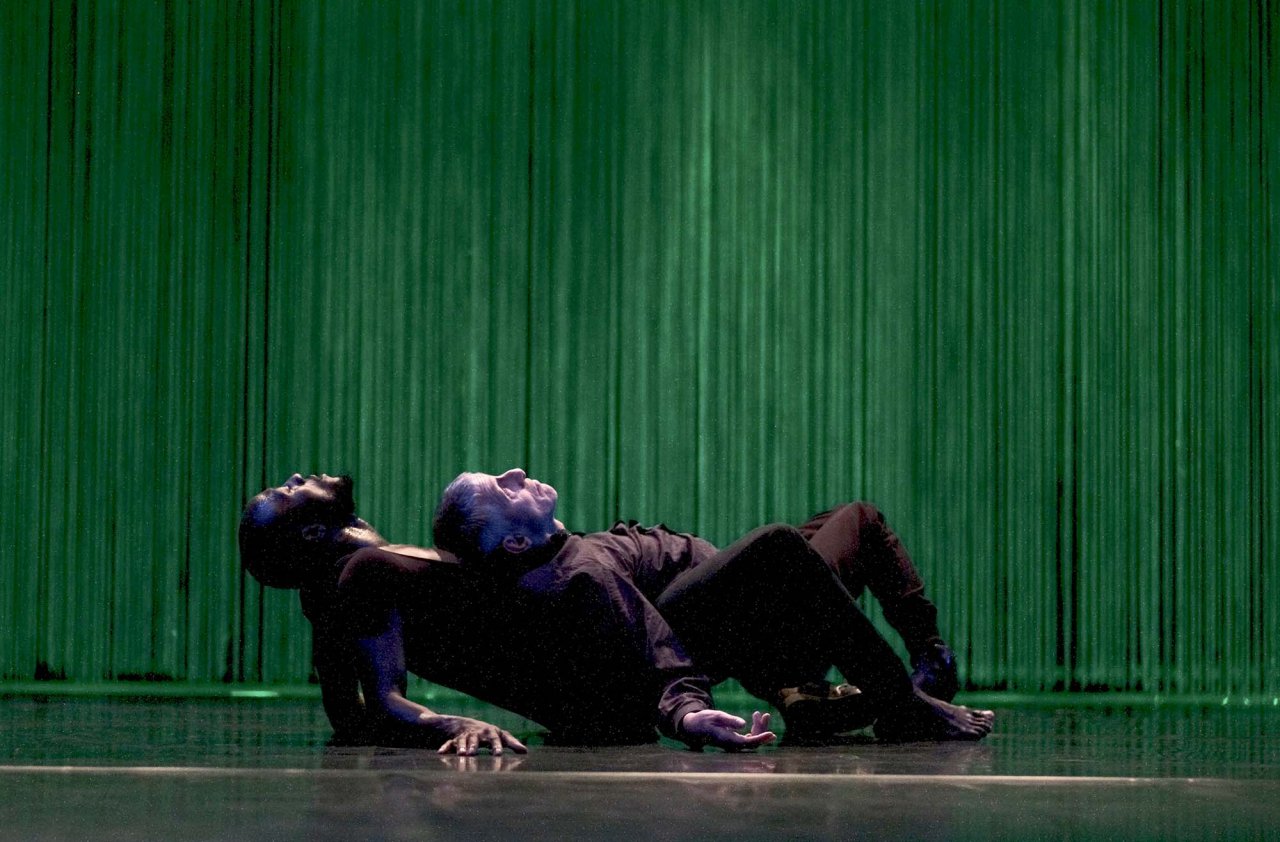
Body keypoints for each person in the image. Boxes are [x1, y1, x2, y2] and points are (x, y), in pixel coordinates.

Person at [431, 469, 994, 742]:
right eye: (502, 489)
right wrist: (687, 713)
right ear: (514, 542)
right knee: (777, 542)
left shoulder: (563, 555)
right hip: (729, 632)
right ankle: (901, 702)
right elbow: (651, 640)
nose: (515, 474)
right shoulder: (581, 572)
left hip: (752, 622)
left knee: (856, 520)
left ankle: (918, 664)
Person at [238, 473, 773, 755]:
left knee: (788, 554)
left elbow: (350, 719)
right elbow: (377, 704)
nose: (296, 476)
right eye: (287, 492)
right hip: (618, 672)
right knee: (779, 551)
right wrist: (453, 722)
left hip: (597, 701)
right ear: (312, 532)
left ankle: (793, 686)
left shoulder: (333, 594)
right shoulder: (363, 574)